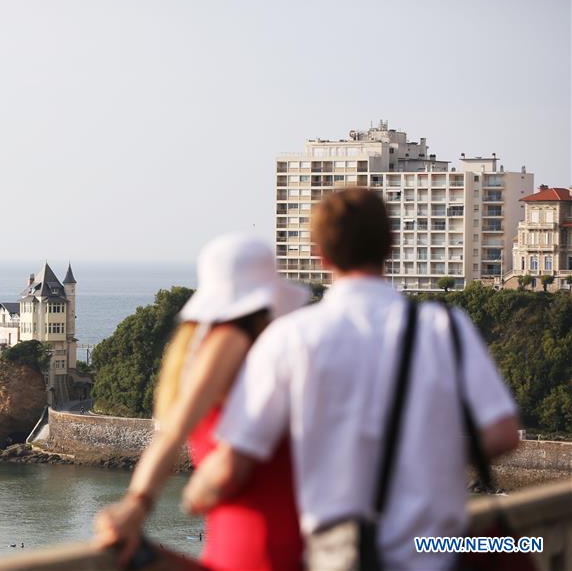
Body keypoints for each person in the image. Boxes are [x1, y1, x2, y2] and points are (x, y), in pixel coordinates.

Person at [182, 189, 521, 570]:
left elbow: (231, 464)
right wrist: (424, 455)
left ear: (319, 254)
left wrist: (192, 495)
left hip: (341, 555)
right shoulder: (444, 326)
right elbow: (503, 434)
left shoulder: (291, 336)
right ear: (390, 245)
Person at [94, 233, 309, 570]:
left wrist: (137, 503)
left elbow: (173, 433)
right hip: (275, 539)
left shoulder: (217, 344)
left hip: (243, 542)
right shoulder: (247, 345)